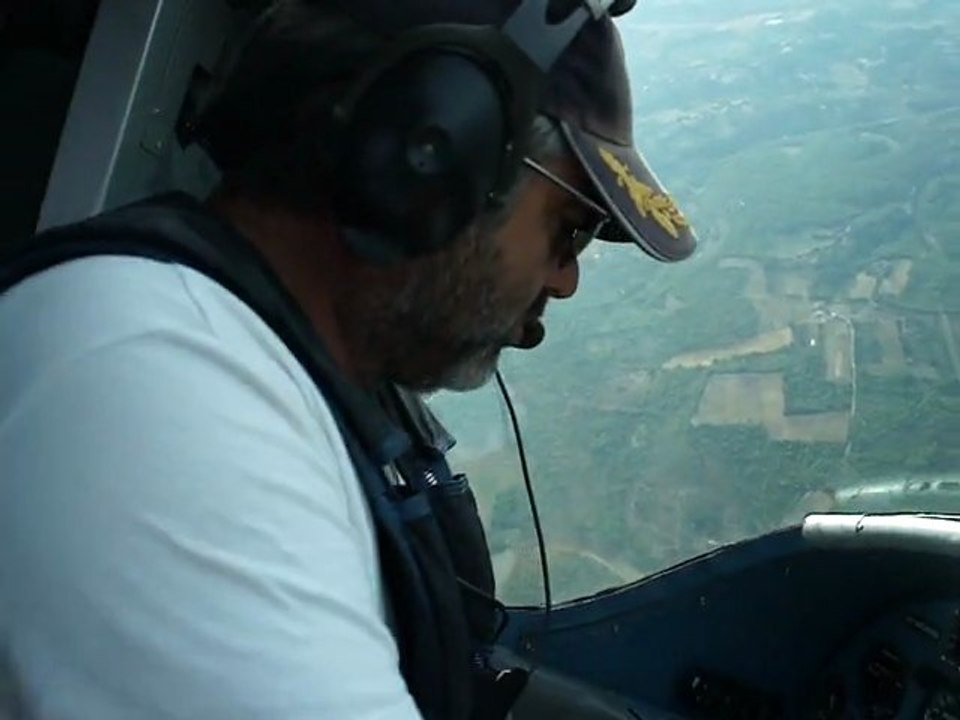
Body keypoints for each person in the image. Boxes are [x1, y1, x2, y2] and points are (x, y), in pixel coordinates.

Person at [0, 0, 696, 718]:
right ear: (429, 156)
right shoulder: (150, 388)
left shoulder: (291, 375)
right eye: (570, 229)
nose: (565, 280)